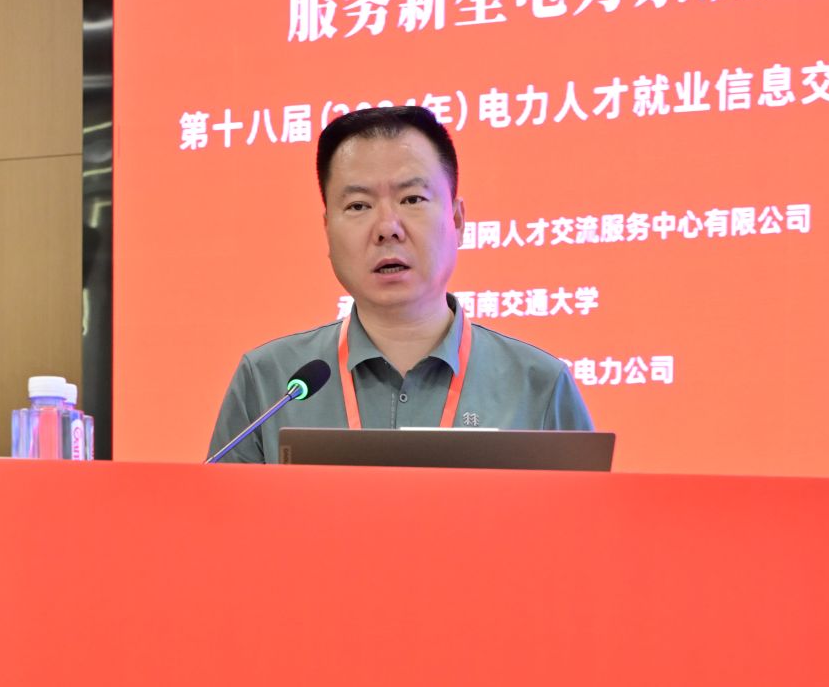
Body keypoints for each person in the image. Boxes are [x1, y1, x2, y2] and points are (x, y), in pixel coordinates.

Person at [207, 105, 593, 462]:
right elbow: (221, 514)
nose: (387, 228)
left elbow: (584, 516)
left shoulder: (539, 386)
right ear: (327, 230)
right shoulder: (270, 383)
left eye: (412, 199)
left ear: (458, 221)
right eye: (358, 206)